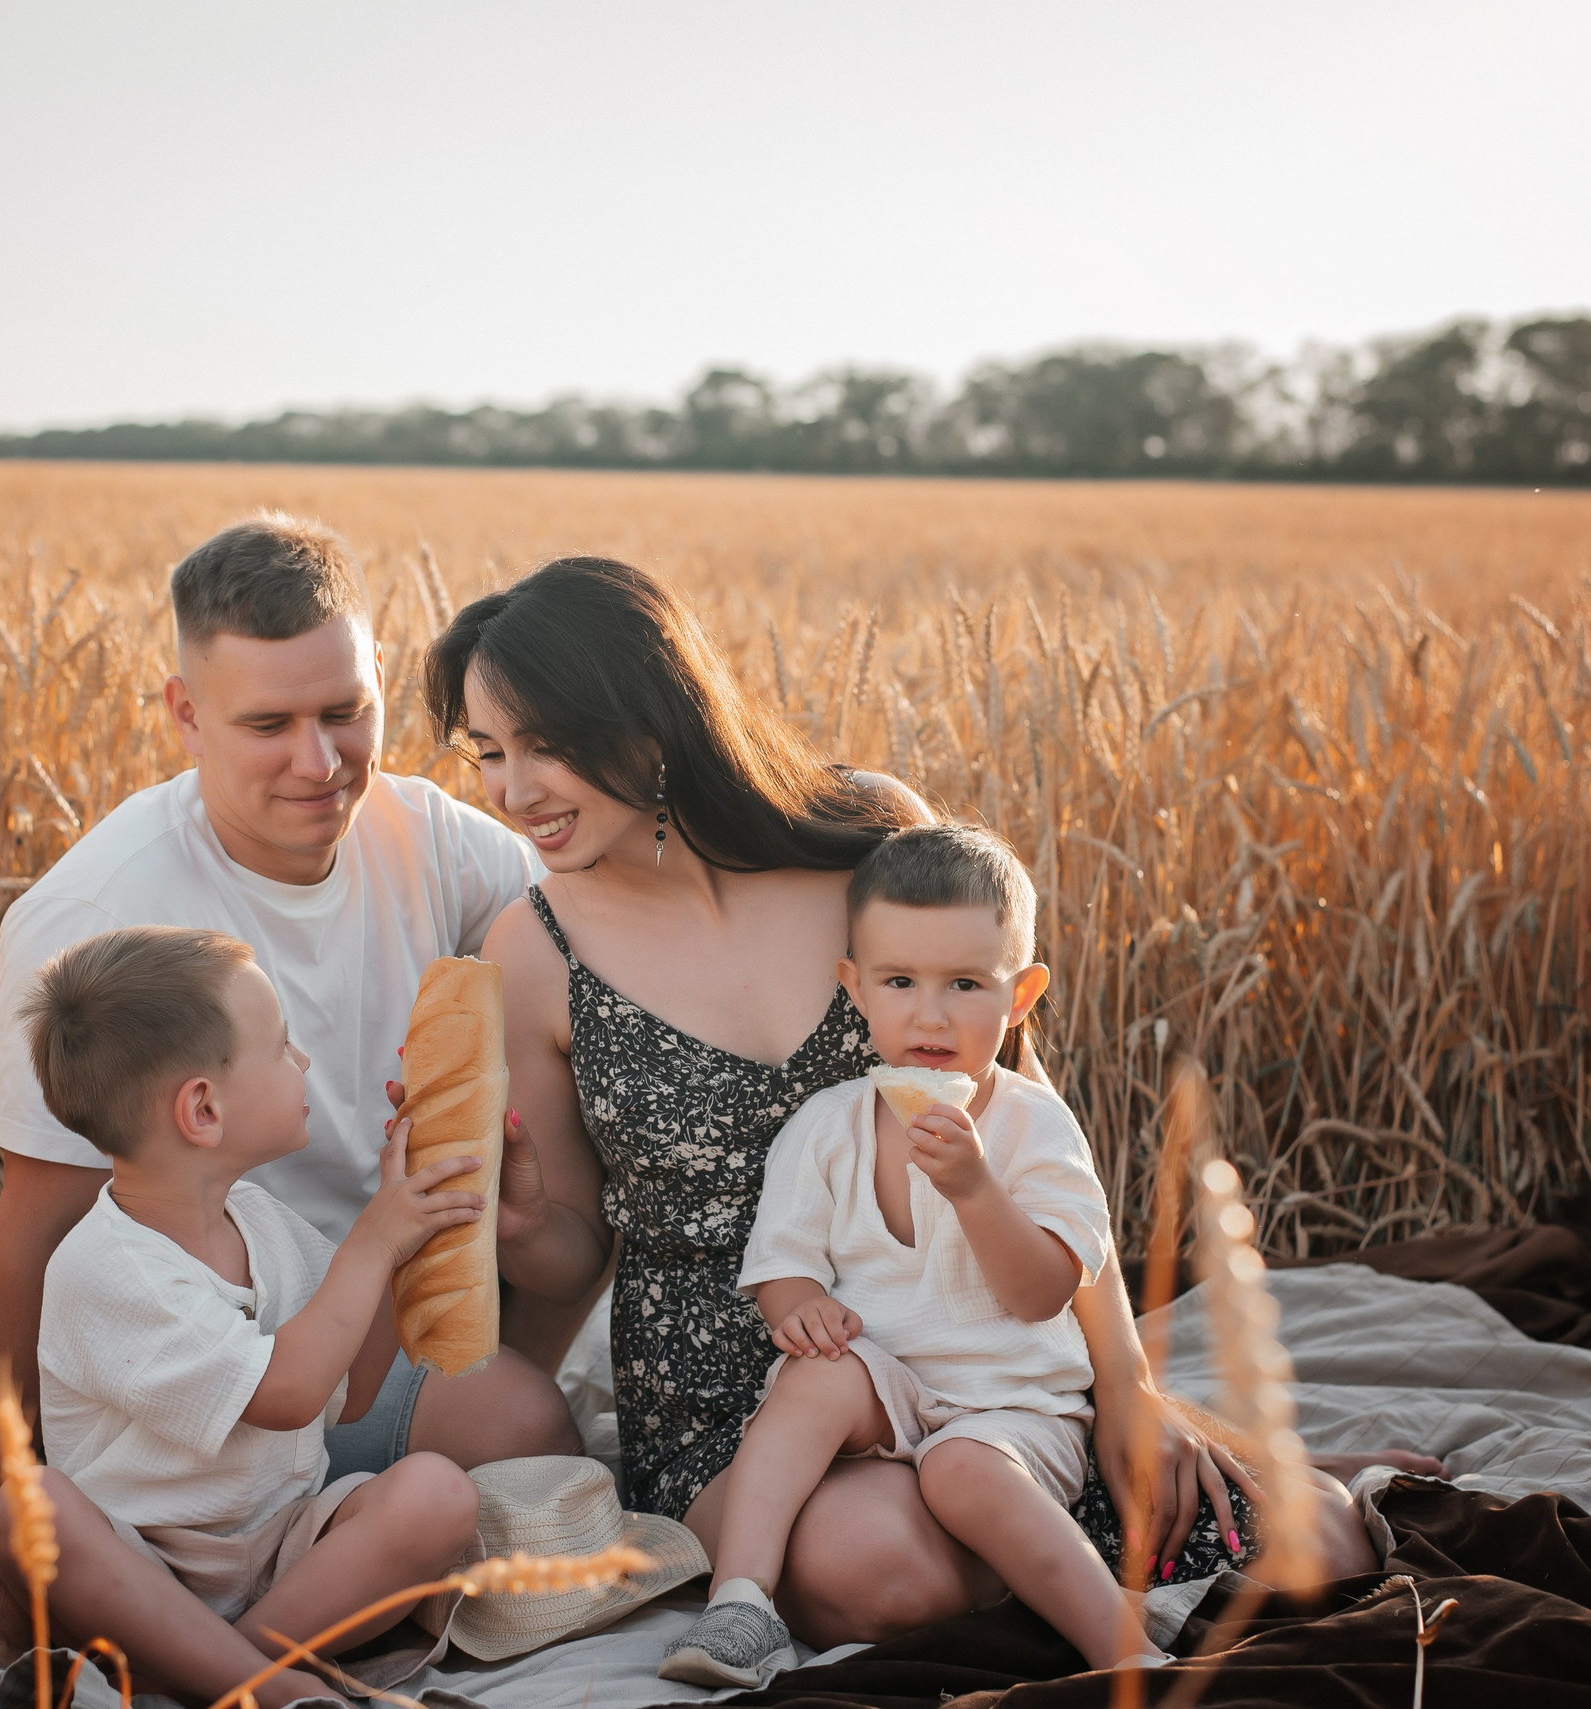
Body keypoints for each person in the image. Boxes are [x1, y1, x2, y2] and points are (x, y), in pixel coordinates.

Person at [427, 556, 1418, 1648]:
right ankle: (1063, 1581)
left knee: (1313, 1543)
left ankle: (1086, 1530)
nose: (512, 791)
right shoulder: (535, 946)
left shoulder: (868, 837)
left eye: (543, 745)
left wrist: (1127, 1386)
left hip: (971, 1346)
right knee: (881, 1570)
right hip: (742, 1397)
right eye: (487, 752)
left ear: (645, 718)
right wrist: (523, 1221)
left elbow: (1029, 1128)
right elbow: (571, 1259)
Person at [0, 514, 577, 1533]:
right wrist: (5, 1496)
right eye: (267, 725)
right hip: (200, 1368)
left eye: (346, 711)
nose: (319, 759)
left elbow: (607, 901)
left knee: (530, 1425)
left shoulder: (426, 835)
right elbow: (36, 1225)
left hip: (370, 1324)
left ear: (379, 678)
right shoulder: (99, 915)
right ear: (185, 714)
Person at [663, 824, 1156, 1685]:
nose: (929, 1014)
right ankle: (741, 1602)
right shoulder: (827, 1126)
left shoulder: (1035, 1125)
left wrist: (975, 1190)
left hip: (1009, 1408)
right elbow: (780, 1261)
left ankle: (1126, 1647)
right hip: (887, 1387)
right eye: (900, 981)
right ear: (854, 986)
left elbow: (1044, 1291)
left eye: (965, 983)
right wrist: (799, 1306)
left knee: (962, 1470)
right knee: (815, 1374)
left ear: (1022, 994)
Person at [0, 925, 485, 1704]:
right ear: (202, 1108)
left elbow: (355, 1388)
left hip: (282, 1556)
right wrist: (371, 1244)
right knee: (27, 1508)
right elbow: (288, 1393)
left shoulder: (258, 1220)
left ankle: (228, 1669)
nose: (301, 1061)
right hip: (138, 1567)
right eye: (281, 1047)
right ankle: (265, 1687)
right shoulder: (107, 1267)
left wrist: (406, 1235)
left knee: (439, 1494)